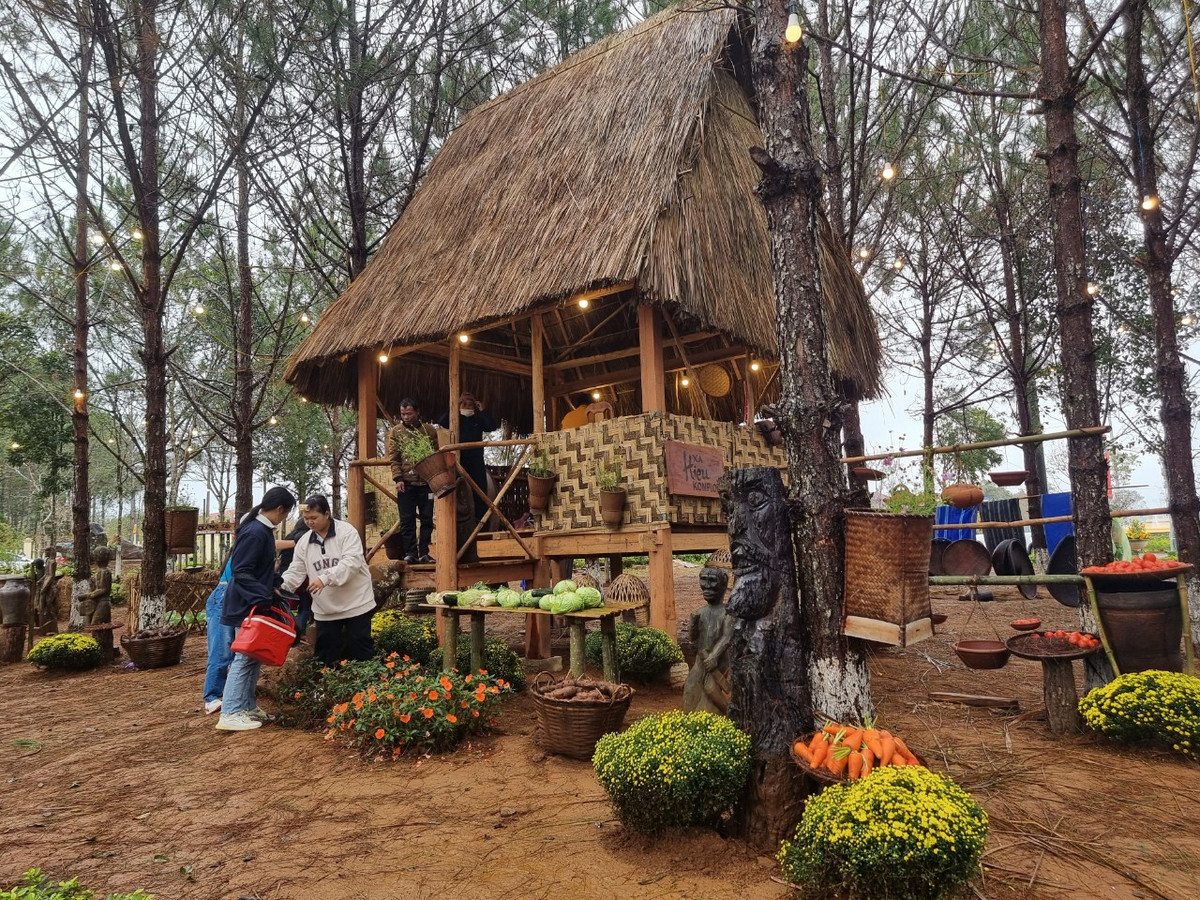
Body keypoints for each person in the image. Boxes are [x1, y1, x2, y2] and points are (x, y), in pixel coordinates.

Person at [215, 485, 297, 732]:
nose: (284, 519)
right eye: (286, 514)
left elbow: (260, 570)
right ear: (280, 509)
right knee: (245, 657)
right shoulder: (255, 532)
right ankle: (230, 711)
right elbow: (241, 570)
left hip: (253, 601)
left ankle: (246, 706)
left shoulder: (262, 531)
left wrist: (274, 585)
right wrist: (262, 595)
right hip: (246, 604)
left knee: (253, 657)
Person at [280, 494, 376, 668]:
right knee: (325, 655)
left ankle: (366, 692)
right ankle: (325, 691)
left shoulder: (347, 532)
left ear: (327, 514)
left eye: (314, 518)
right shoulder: (304, 542)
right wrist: (282, 586)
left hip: (356, 603)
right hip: (325, 609)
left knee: (361, 651)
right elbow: (296, 570)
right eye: (306, 518)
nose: (309, 522)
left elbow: (351, 562)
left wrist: (325, 578)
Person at [386, 398, 439, 564]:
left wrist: (434, 477)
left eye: (409, 413)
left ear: (417, 412)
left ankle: (424, 552)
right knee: (407, 520)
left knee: (427, 519)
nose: (406, 417)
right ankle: (410, 553)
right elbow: (394, 458)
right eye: (403, 414)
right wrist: (398, 478)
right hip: (406, 484)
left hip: (426, 483)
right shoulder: (396, 432)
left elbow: (435, 455)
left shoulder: (429, 430)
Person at [438, 391, 496, 524]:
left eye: (470, 403)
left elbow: (491, 426)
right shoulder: (455, 418)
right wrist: (454, 406)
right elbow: (441, 421)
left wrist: (483, 410)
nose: (467, 406)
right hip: (459, 459)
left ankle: (481, 524)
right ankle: (457, 523)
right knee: (457, 491)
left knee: (480, 491)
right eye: (464, 403)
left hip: (476, 459)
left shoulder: (478, 418)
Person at [682, 567, 733, 715]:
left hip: (718, 665)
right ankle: (689, 723)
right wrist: (692, 625)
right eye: (704, 580)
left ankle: (713, 723)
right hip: (700, 663)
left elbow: (727, 637)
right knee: (690, 690)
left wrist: (714, 656)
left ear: (723, 585)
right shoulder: (700, 612)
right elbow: (694, 641)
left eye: (712, 581)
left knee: (710, 699)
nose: (707, 586)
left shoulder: (727, 613)